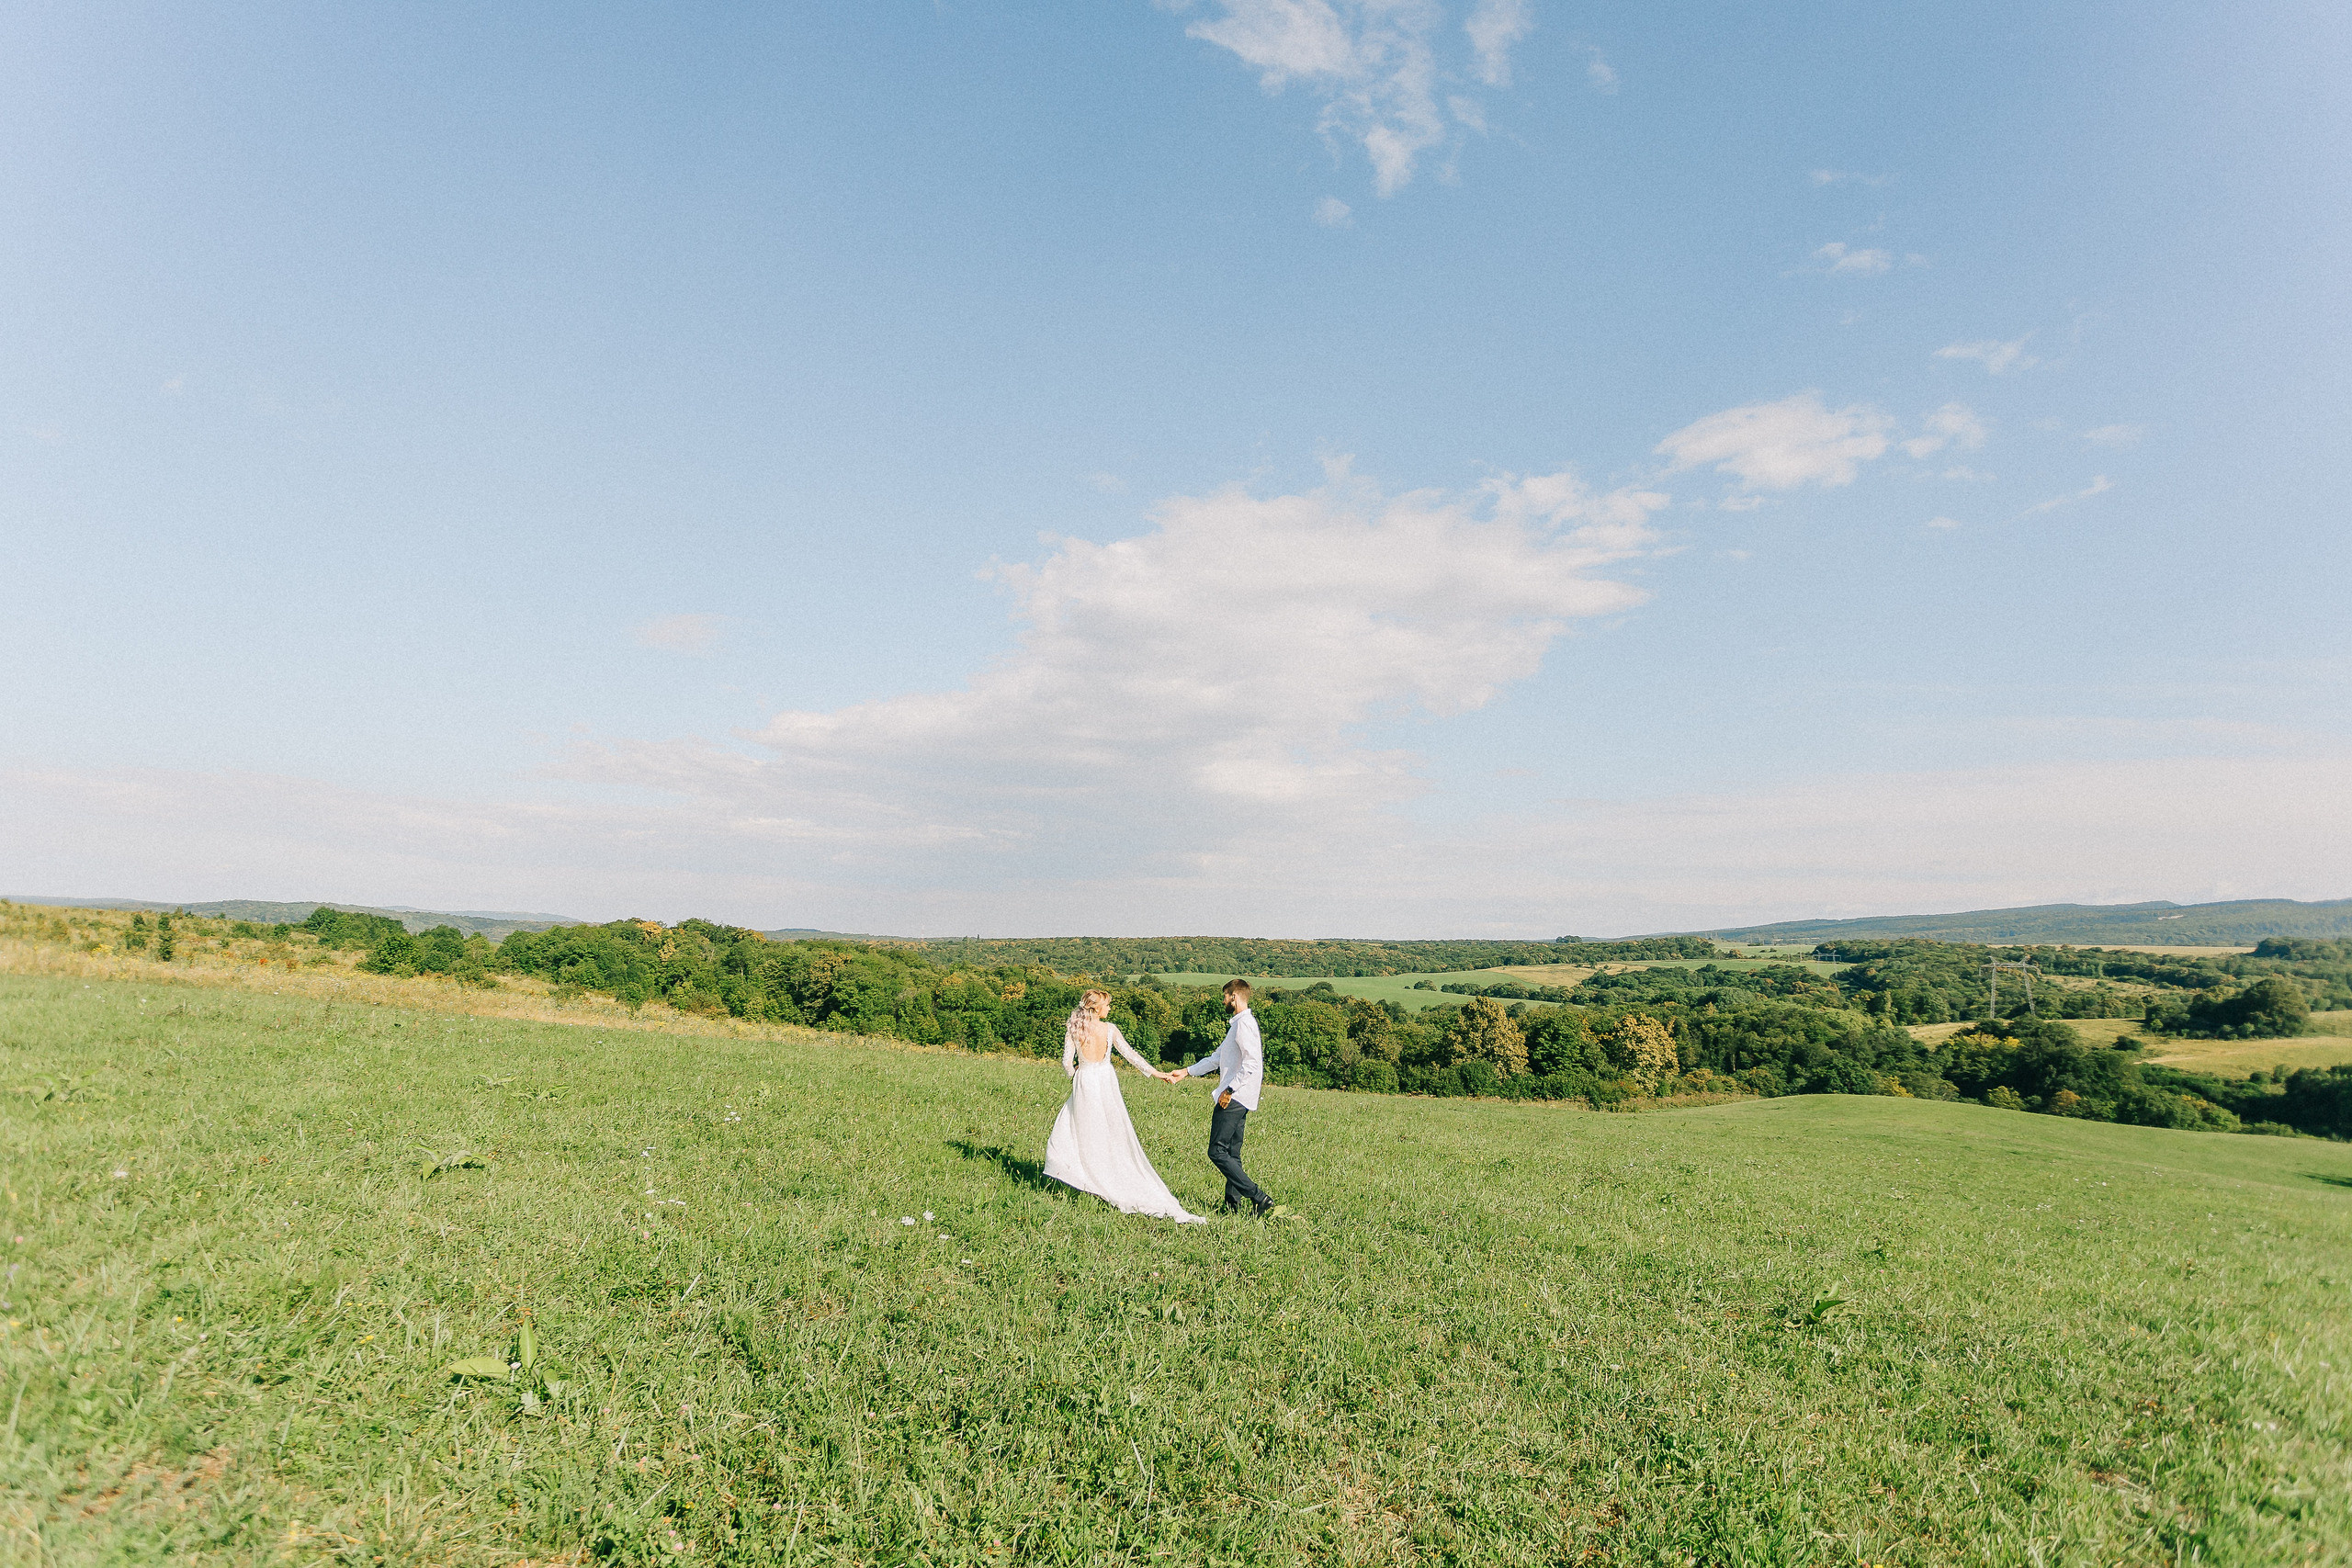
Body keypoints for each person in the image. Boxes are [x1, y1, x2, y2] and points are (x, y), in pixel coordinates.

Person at [1043, 989, 1203, 1224]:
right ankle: (1101, 1175)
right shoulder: (1110, 1030)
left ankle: (1088, 1175)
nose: (1109, 1009)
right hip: (1105, 1081)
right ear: (1096, 1008)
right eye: (1107, 1005)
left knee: (1082, 1130)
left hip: (1085, 1081)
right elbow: (1131, 1055)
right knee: (1109, 1130)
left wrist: (1075, 1075)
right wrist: (1156, 1073)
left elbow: (1067, 1062)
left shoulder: (1075, 1029)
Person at [1163, 978, 1280, 1217]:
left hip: (1234, 1097)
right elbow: (1217, 1058)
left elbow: (1252, 1064)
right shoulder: (1238, 1025)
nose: (1224, 1001)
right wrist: (1186, 1072)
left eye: (1225, 996)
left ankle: (1259, 1197)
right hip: (1242, 1097)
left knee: (1216, 1151)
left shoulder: (1244, 1025)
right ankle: (1232, 1206)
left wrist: (1229, 1091)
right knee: (1232, 1153)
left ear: (1235, 997)